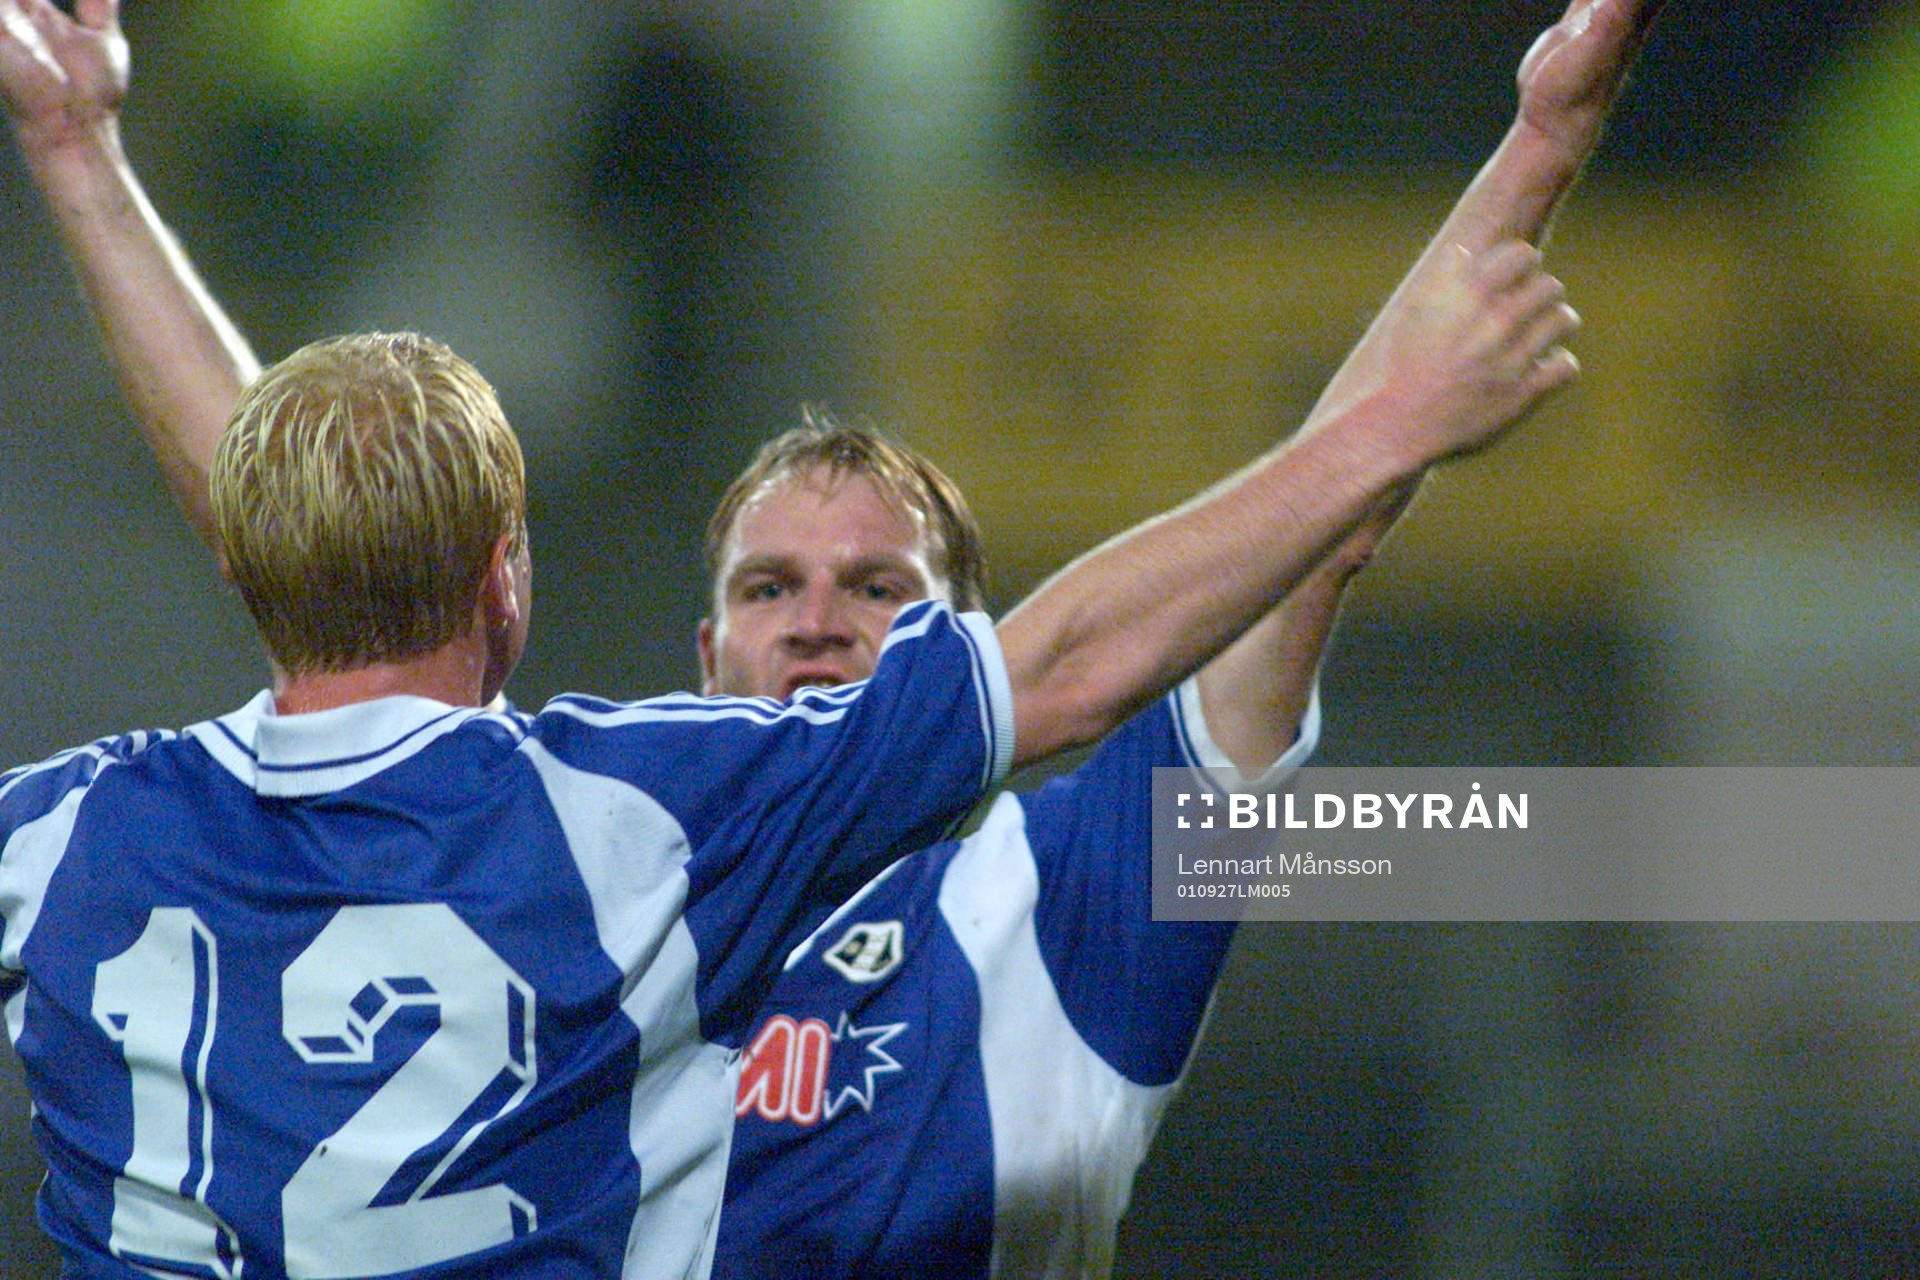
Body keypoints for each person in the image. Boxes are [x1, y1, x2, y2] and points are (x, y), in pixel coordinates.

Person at [0, 5, 1639, 1280]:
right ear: (700, 660)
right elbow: (334, 554)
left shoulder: (1059, 899)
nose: (823, 624)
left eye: (882, 592)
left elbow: (1302, 553)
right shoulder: (631, 841)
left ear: (963, 659)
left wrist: (1536, 152)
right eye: (772, 588)